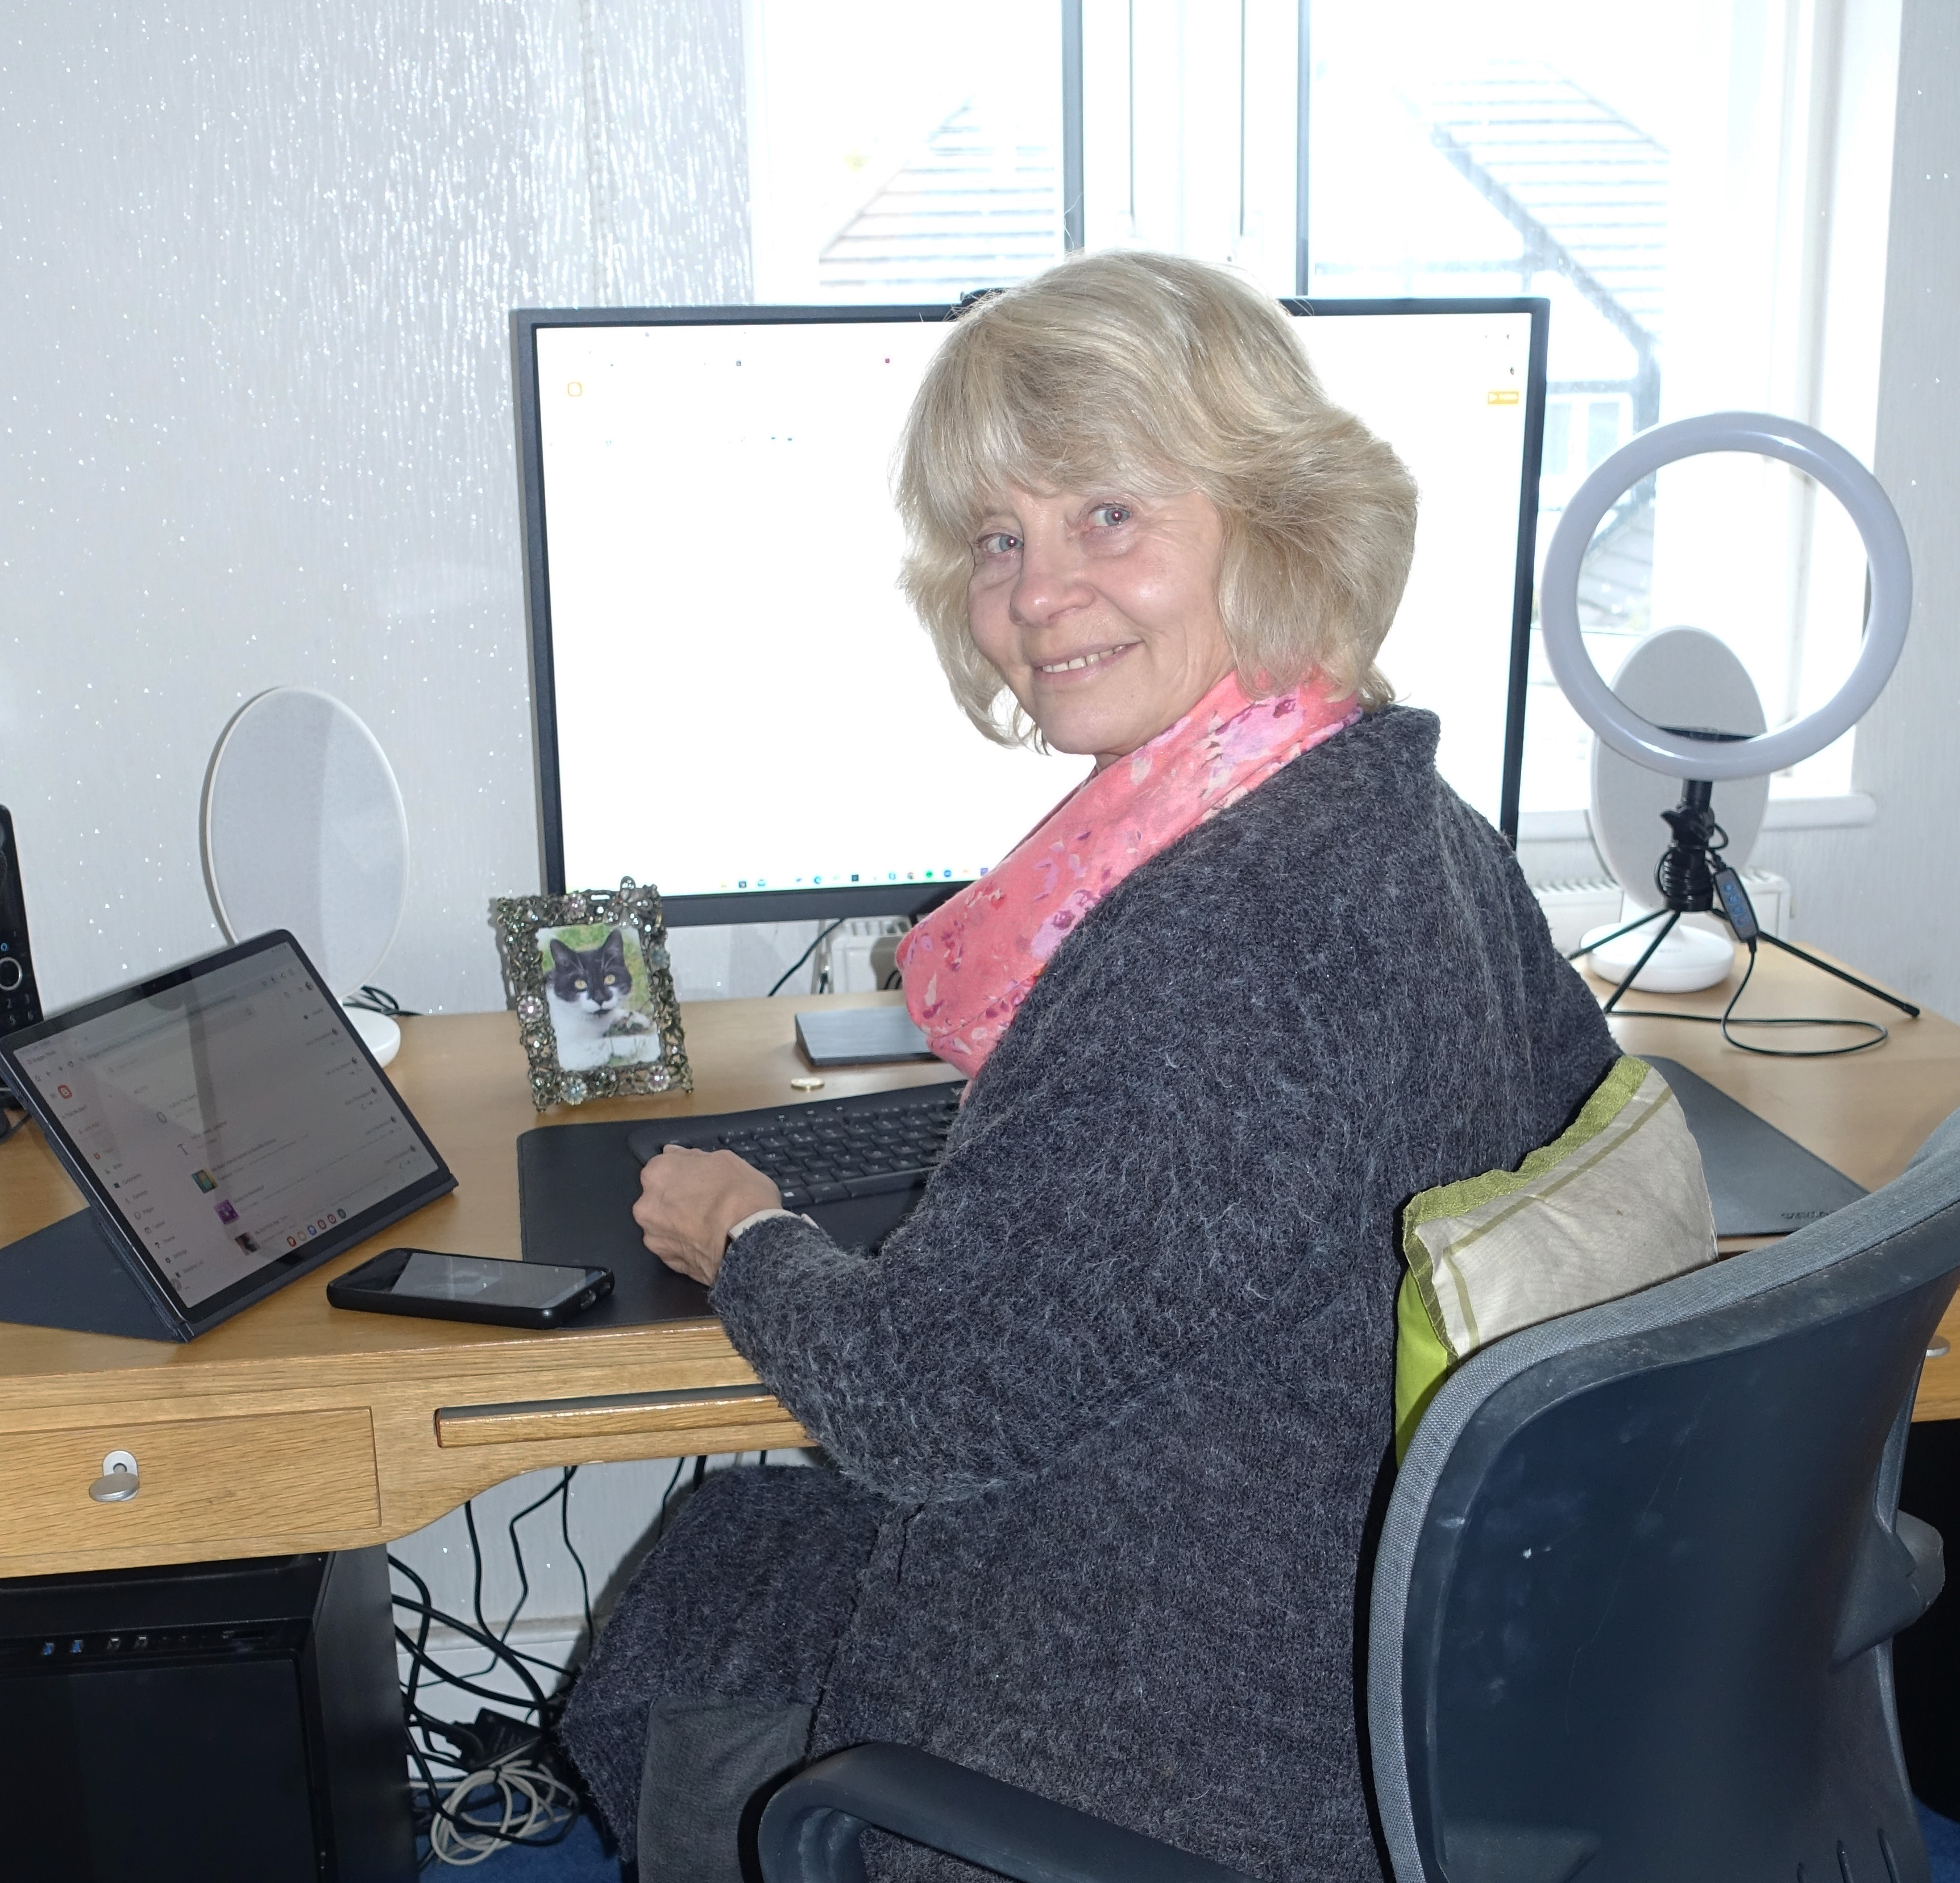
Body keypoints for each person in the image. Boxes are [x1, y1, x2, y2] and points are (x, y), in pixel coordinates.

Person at [560, 250, 1617, 1882]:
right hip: (1371, 1605)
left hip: (1195, 1732)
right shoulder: (1395, 804)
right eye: (1000, 539)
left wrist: (742, 1230)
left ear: (1276, 520)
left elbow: (918, 1409)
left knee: (716, 1584)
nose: (1037, 594)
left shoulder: (1214, 939)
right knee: (738, 1557)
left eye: (1107, 516)